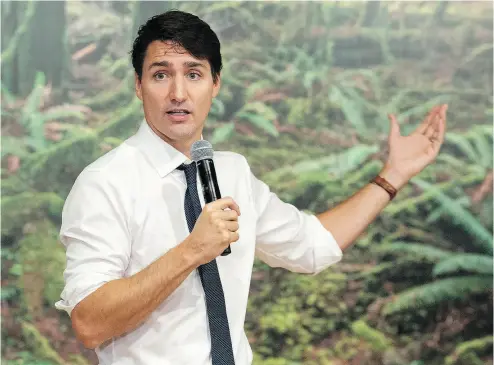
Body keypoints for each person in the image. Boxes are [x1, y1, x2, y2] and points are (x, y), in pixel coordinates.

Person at [55, 9, 448, 365]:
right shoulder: (104, 183)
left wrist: (392, 175)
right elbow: (89, 323)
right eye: (161, 74)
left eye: (193, 74)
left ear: (215, 84)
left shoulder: (233, 172)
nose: (178, 93)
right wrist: (193, 250)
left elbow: (312, 246)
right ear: (139, 86)